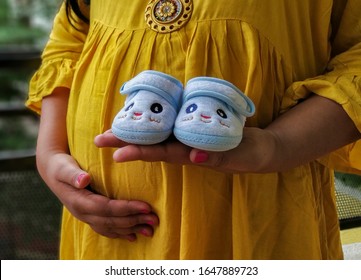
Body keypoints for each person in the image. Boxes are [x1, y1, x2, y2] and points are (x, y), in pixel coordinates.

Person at [27, 0, 361, 259]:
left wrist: (277, 145)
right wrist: (51, 153)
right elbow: (69, 41)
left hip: (257, 218)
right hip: (105, 233)